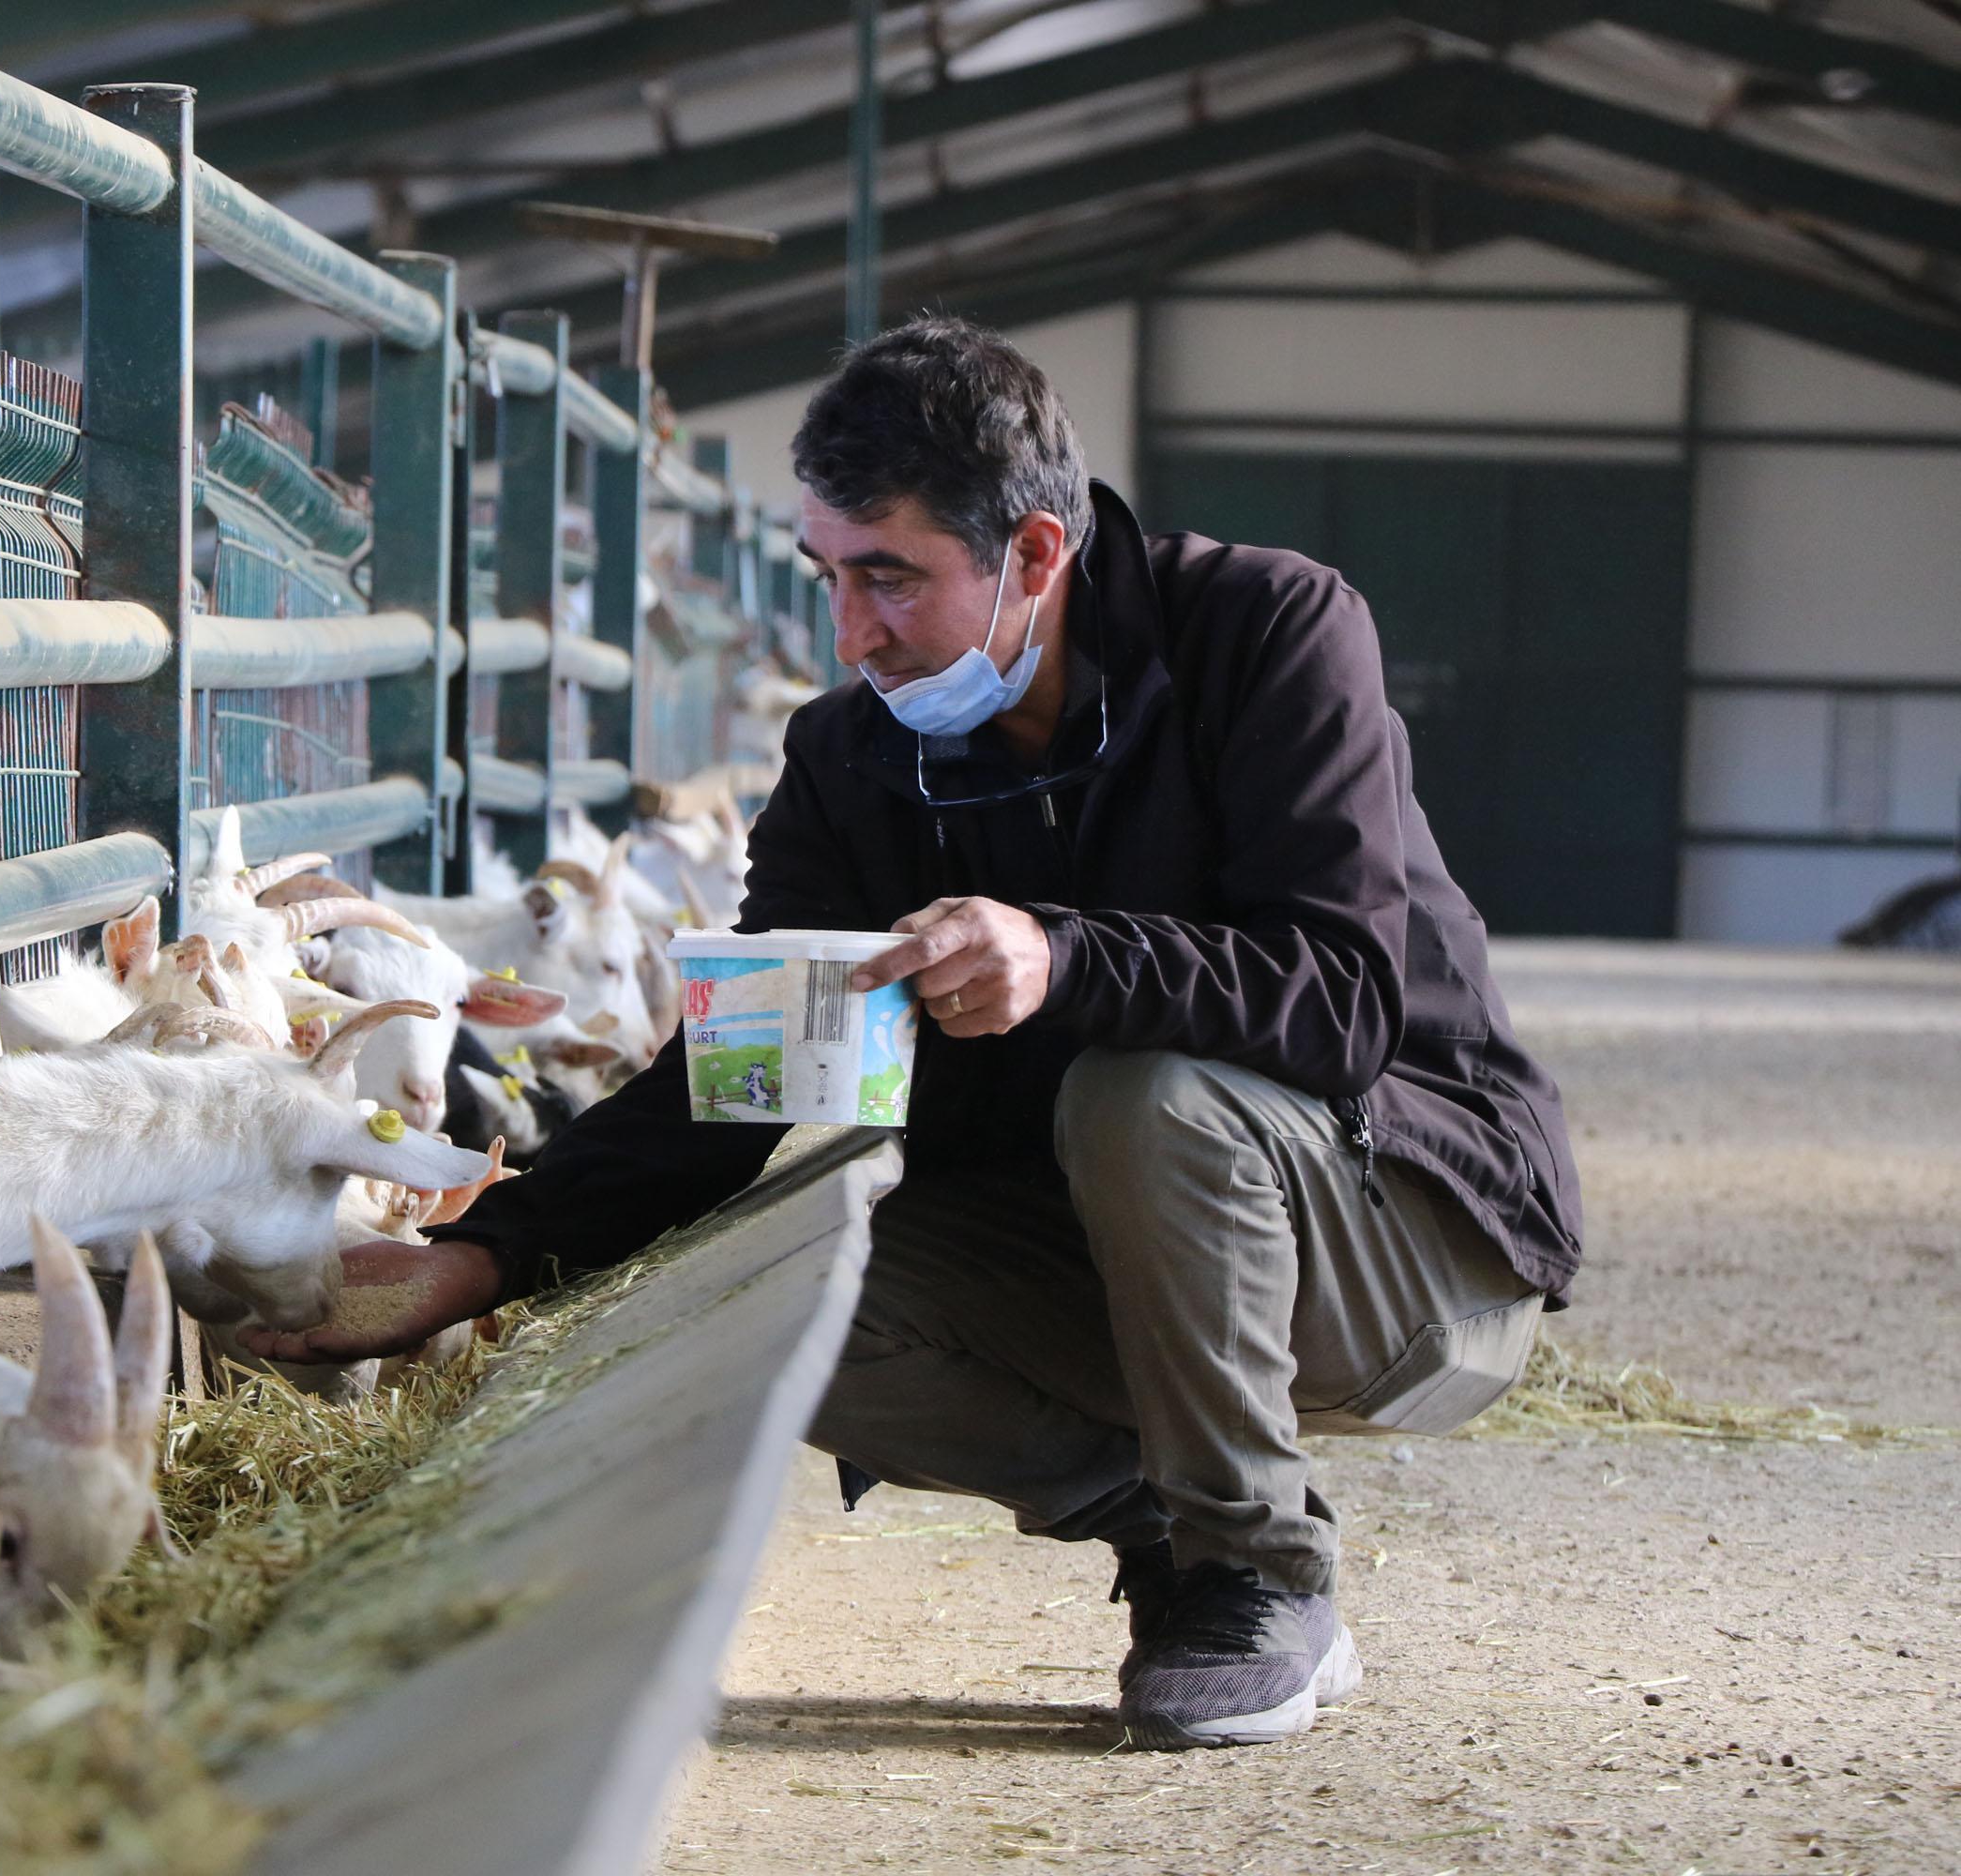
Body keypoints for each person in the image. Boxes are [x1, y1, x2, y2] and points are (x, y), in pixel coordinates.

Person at [243, 316, 1584, 1750]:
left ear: (1036, 557)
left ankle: (1254, 1576)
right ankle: (1173, 1527)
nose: (854, 632)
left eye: (893, 577)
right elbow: (740, 1063)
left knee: (1148, 1099)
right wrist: (486, 1249)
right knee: (765, 1307)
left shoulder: (1269, 633)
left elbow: (1344, 994)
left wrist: (1064, 959)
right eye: (833, 575)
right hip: (1120, 1257)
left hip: (1408, 1247)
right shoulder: (851, 758)